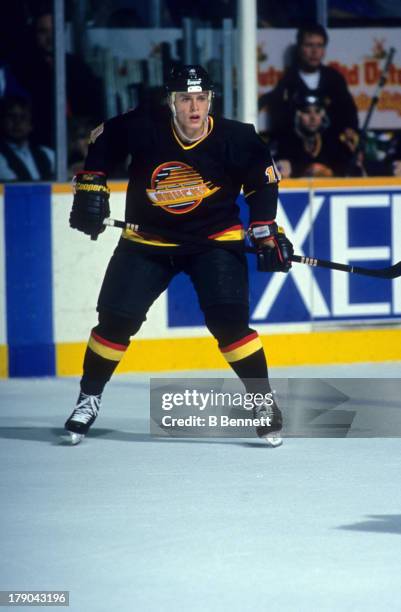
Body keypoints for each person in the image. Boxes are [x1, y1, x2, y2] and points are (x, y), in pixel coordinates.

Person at [64, 65, 294, 448]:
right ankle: (88, 398)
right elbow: (101, 141)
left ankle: (262, 400)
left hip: (214, 242)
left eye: (201, 98)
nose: (194, 107)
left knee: (230, 323)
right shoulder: (144, 125)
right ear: (171, 102)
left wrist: (266, 229)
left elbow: (262, 183)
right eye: (185, 99)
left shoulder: (238, 137)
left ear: (210, 101)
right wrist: (92, 183)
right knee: (115, 322)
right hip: (148, 241)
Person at [260, 23, 359, 143]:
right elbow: (280, 125)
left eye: (319, 46)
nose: (314, 51)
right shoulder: (288, 82)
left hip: (333, 150)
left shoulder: (334, 79)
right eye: (309, 45)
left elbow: (349, 113)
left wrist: (350, 130)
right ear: (300, 48)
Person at [274, 93, 362, 177]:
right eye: (307, 111)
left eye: (317, 111)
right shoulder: (285, 144)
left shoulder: (333, 143)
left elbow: (348, 175)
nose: (313, 117)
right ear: (298, 114)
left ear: (323, 114)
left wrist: (355, 163)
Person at [0, 95, 54, 181]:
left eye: (23, 117)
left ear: (31, 125)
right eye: (12, 117)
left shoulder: (47, 154)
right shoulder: (1, 157)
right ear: (2, 122)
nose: (17, 122)